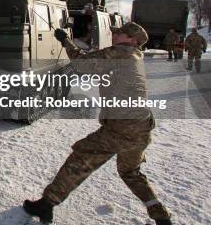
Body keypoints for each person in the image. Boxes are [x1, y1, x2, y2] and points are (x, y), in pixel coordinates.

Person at [23, 22, 172, 225]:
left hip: (121, 128)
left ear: (132, 39)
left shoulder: (120, 52)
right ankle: (161, 216)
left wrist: (65, 40)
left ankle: (46, 204)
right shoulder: (135, 55)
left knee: (80, 159)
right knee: (130, 172)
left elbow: (83, 64)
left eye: (120, 33)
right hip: (142, 127)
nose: (115, 36)